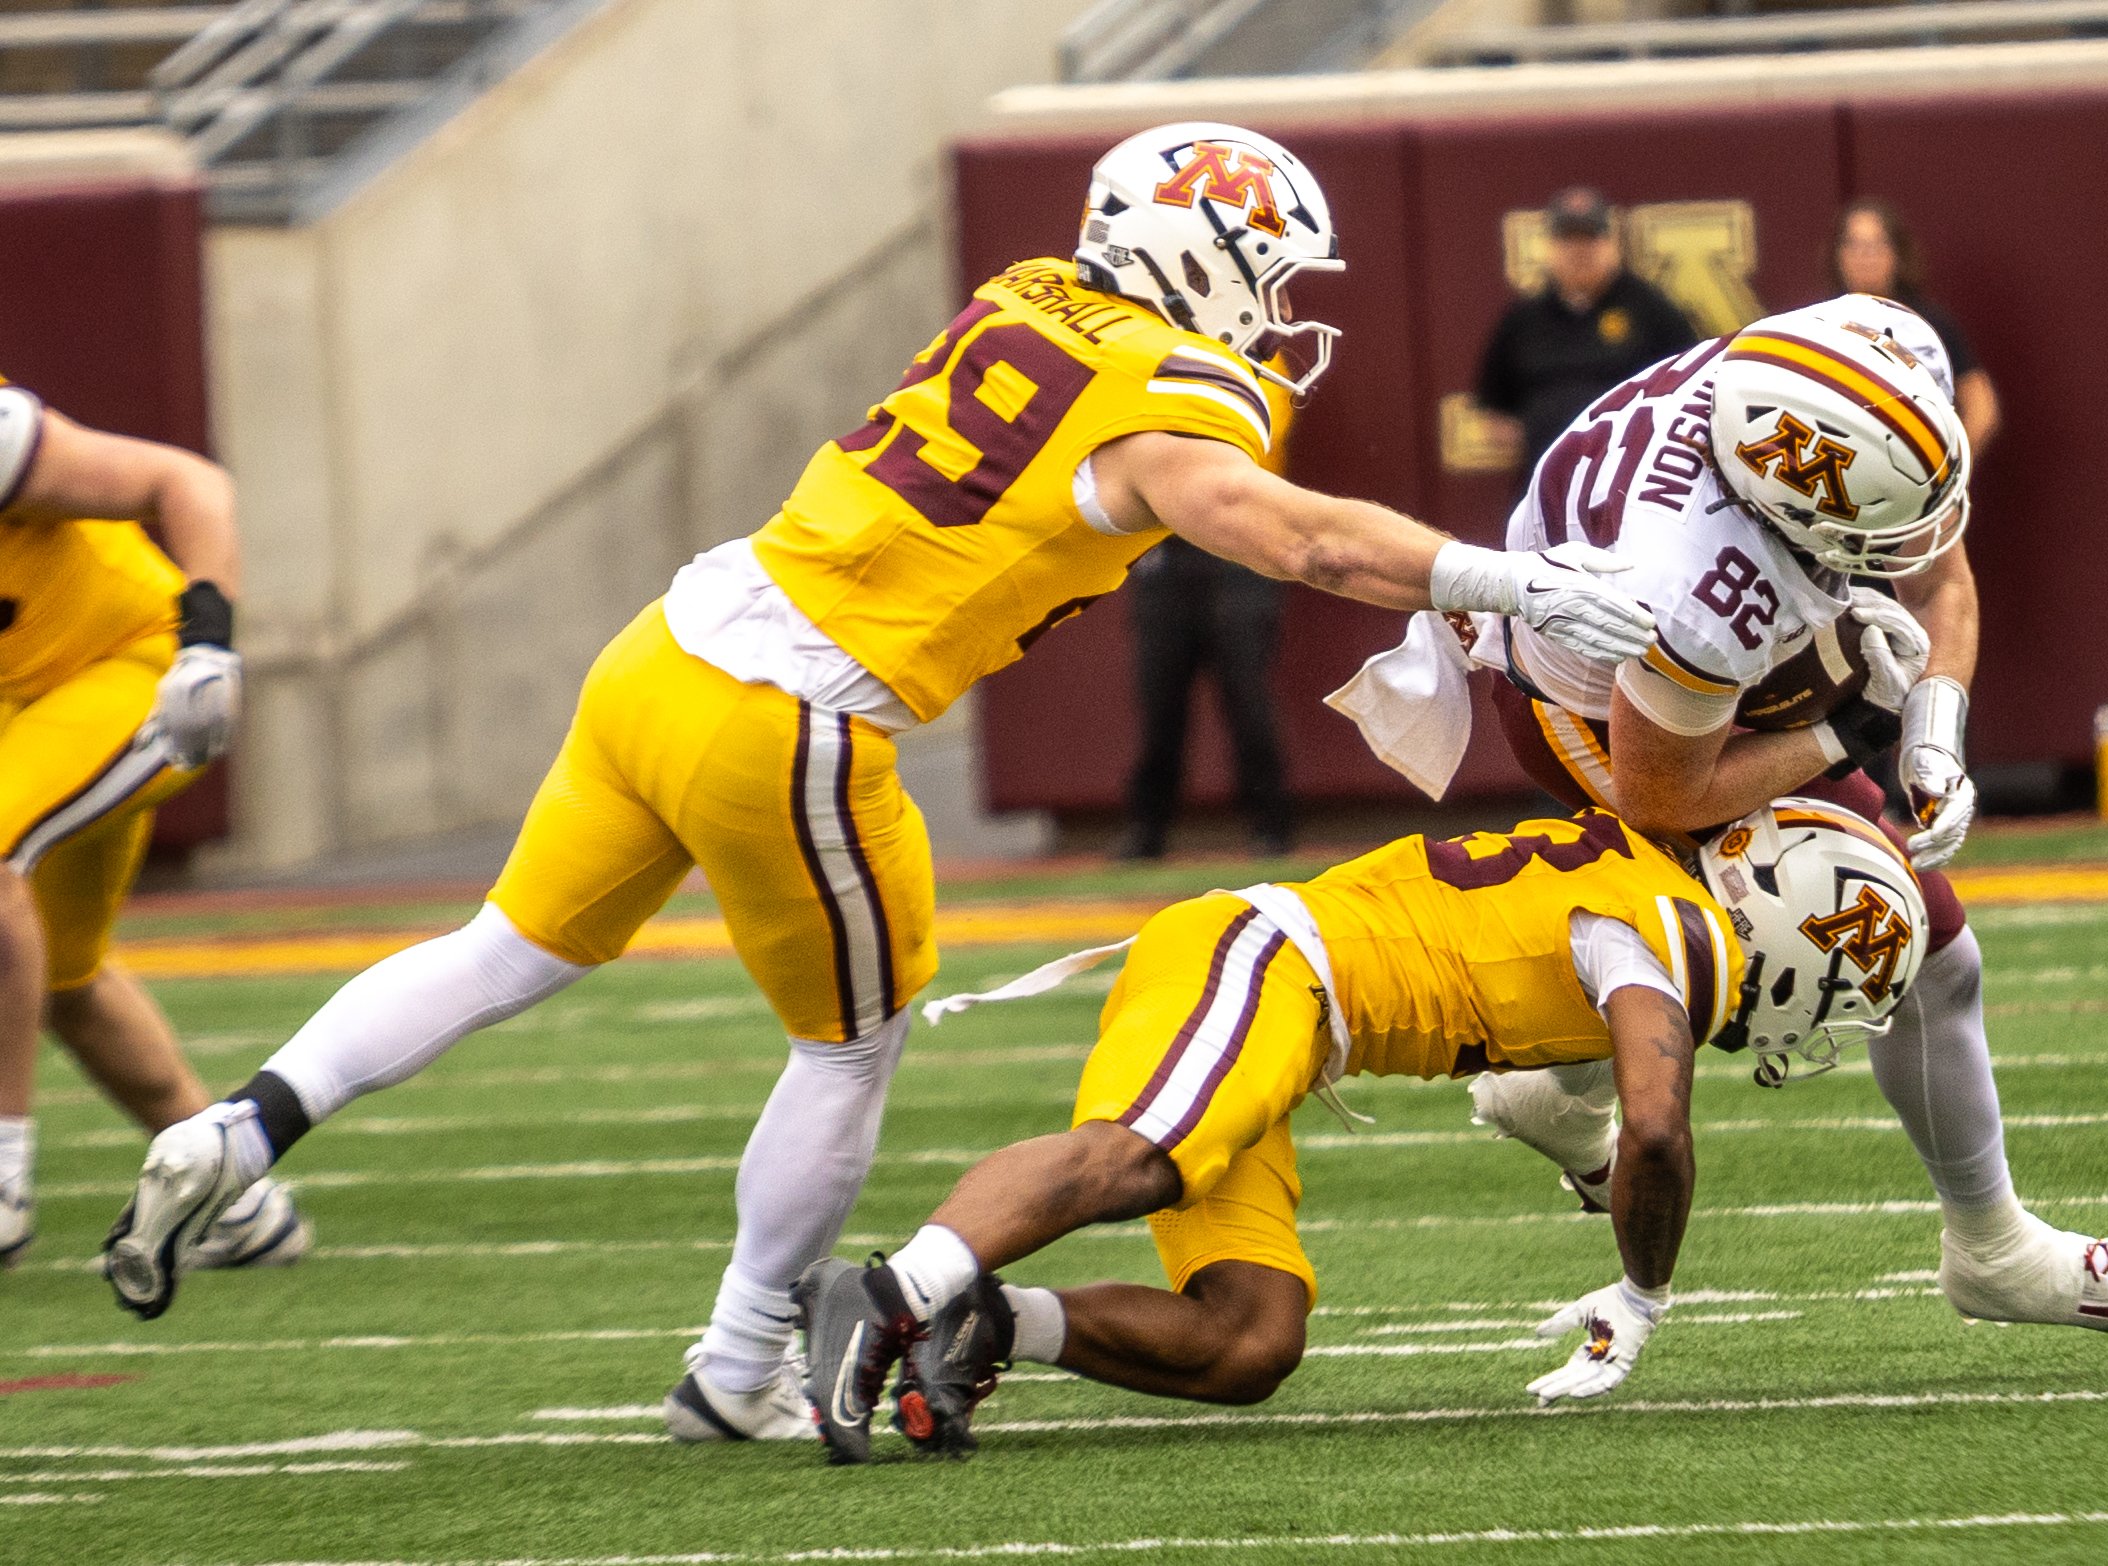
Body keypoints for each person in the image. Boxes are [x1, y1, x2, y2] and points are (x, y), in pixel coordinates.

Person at [103, 123, 1658, 1437]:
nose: (1278, 303)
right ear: (1197, 255)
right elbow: (1298, 538)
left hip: (667, 640)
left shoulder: (1031, 293)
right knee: (852, 1046)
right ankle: (734, 1365)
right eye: (1268, 266)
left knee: (502, 947)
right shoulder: (1176, 401)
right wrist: (1497, 581)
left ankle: (239, 1128)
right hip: (792, 718)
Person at [1331, 304, 2108, 1337]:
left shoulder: (1863, 351)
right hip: (1600, 714)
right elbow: (1663, 793)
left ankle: (1556, 1094)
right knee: (1833, 930)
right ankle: (1993, 1250)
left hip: (1723, 670)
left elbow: (1934, 561)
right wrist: (1856, 730)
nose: (1911, 543)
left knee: (1934, 956)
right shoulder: (1697, 585)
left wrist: (1934, 718)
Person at [794, 799, 1921, 1463]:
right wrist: (1644, 1295)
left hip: (1298, 1023)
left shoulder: (1642, 906)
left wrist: (1589, 1161)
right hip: (1270, 962)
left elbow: (1564, 1098)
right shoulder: (1662, 933)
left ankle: (993, 1322)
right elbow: (1658, 1129)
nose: (1818, 1010)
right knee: (1146, 1155)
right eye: (1835, 983)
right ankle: (890, 1293)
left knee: (1252, 1341)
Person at [0, 376, 309, 1271]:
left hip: (136, 669)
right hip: (29, 703)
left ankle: (5, 1181)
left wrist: (209, 640)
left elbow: (185, 482)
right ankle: (237, 1201)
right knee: (60, 980)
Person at [1473, 187, 1698, 488]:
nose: (1579, 251)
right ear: (1550, 246)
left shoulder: (1651, 310)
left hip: (1629, 484)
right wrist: (1549, 439)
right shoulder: (1524, 318)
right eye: (1568, 239)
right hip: (1547, 486)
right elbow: (1493, 410)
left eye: (1590, 238)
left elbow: (1692, 390)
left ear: (1610, 244)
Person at [1120, 537, 1295, 859]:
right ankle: (1148, 830)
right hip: (1164, 560)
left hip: (1236, 557)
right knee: (1160, 711)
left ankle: (1271, 826)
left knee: (1249, 706)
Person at [1829, 200, 2001, 453]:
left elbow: (1982, 405)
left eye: (1877, 244)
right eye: (1853, 244)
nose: (1864, 256)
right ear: (1838, 254)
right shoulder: (1818, 322)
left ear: (1897, 253)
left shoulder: (1927, 324)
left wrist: (1952, 471)